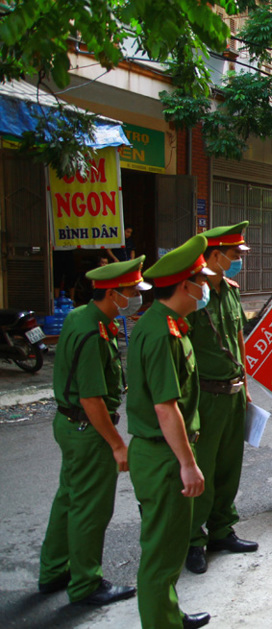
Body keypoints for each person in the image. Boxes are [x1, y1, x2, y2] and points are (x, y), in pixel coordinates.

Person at [37, 256, 151, 606]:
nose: (136, 297)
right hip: (87, 428)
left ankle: (54, 570)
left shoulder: (82, 316)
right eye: (132, 291)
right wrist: (117, 445)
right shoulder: (92, 330)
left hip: (69, 425)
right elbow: (91, 399)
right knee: (91, 508)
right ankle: (86, 583)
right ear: (113, 293)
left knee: (69, 498)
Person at [127, 234, 216, 629]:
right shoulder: (162, 332)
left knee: (169, 546)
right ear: (185, 285)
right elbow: (165, 407)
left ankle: (168, 614)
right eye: (202, 280)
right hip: (164, 458)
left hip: (162, 454)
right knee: (161, 555)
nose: (206, 287)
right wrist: (188, 463)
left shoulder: (168, 323)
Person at [184, 222, 257, 575]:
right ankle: (193, 540)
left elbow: (239, 339)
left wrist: (246, 383)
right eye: (233, 255)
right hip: (206, 397)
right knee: (204, 470)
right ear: (215, 255)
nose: (237, 261)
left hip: (233, 391)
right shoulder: (194, 295)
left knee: (229, 467)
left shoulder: (230, 291)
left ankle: (221, 531)